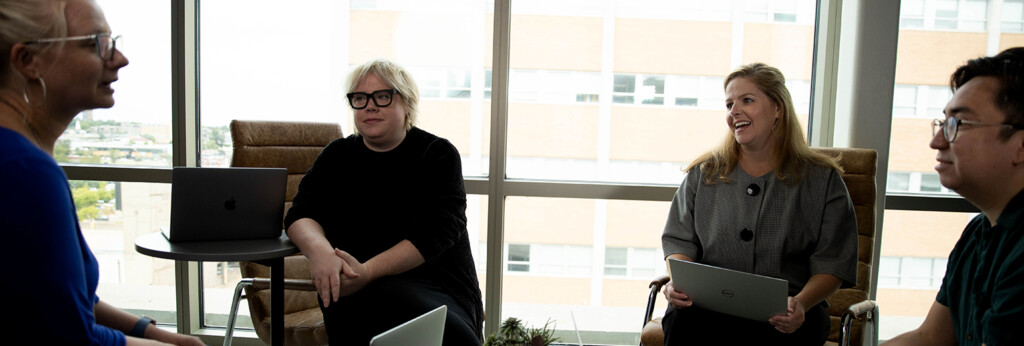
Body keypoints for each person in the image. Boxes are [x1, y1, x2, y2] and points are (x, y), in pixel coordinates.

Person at [0, 0, 205, 345]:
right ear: (28, 61)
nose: (120, 59)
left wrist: (151, 331)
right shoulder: (24, 171)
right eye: (98, 43)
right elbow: (71, 337)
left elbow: (65, 295)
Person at [284, 58, 484, 345]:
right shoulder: (337, 155)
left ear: (407, 104)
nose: (370, 105)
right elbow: (301, 213)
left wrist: (368, 271)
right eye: (360, 98)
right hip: (353, 286)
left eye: (382, 96)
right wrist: (320, 252)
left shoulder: (436, 154)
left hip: (435, 284)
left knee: (449, 336)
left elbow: (435, 233)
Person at [660, 62, 859, 345]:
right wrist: (679, 284)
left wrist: (801, 304)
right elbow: (679, 242)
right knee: (683, 322)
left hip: (785, 315)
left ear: (778, 108)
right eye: (729, 104)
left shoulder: (822, 180)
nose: (734, 112)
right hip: (708, 310)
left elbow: (834, 262)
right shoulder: (704, 173)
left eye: (747, 100)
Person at [883, 48, 1024, 345]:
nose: (936, 141)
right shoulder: (979, 230)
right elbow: (930, 337)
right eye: (943, 123)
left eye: (958, 125)